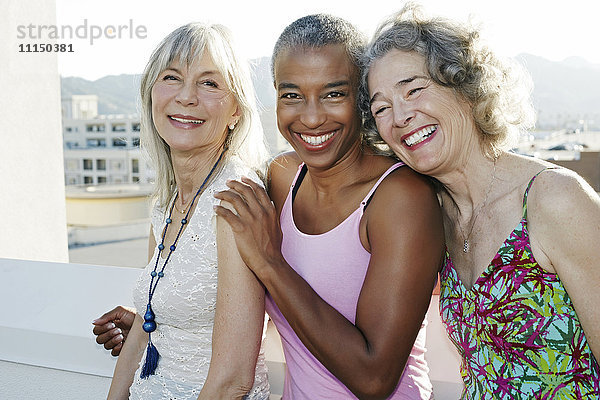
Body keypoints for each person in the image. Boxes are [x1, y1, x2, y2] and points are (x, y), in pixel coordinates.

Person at [361, 4, 600, 398]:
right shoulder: (436, 216)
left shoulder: (553, 200)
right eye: (382, 108)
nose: (400, 115)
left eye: (414, 89)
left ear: (466, 88)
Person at [213, 14, 444, 399]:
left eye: (333, 93)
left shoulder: (400, 197)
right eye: (291, 95)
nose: (312, 117)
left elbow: (374, 378)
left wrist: (272, 263)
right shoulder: (283, 176)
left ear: (362, 97)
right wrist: (149, 320)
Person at [105, 22, 270, 400]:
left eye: (209, 83)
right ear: (151, 94)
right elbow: (147, 327)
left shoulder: (235, 200)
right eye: (172, 78)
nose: (186, 97)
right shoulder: (164, 201)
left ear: (235, 111)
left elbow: (233, 379)